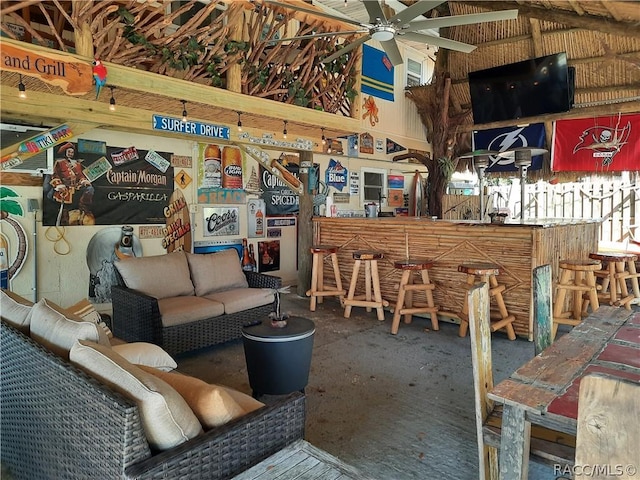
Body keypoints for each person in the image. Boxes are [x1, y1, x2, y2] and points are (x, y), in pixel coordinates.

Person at [48, 142, 94, 225]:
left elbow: (80, 176)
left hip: (76, 187)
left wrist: (83, 181)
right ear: (65, 152)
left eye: (72, 152)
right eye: (69, 152)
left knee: (89, 189)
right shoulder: (59, 162)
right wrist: (59, 185)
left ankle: (83, 208)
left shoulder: (77, 164)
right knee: (65, 210)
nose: (70, 154)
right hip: (65, 188)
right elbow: (55, 175)